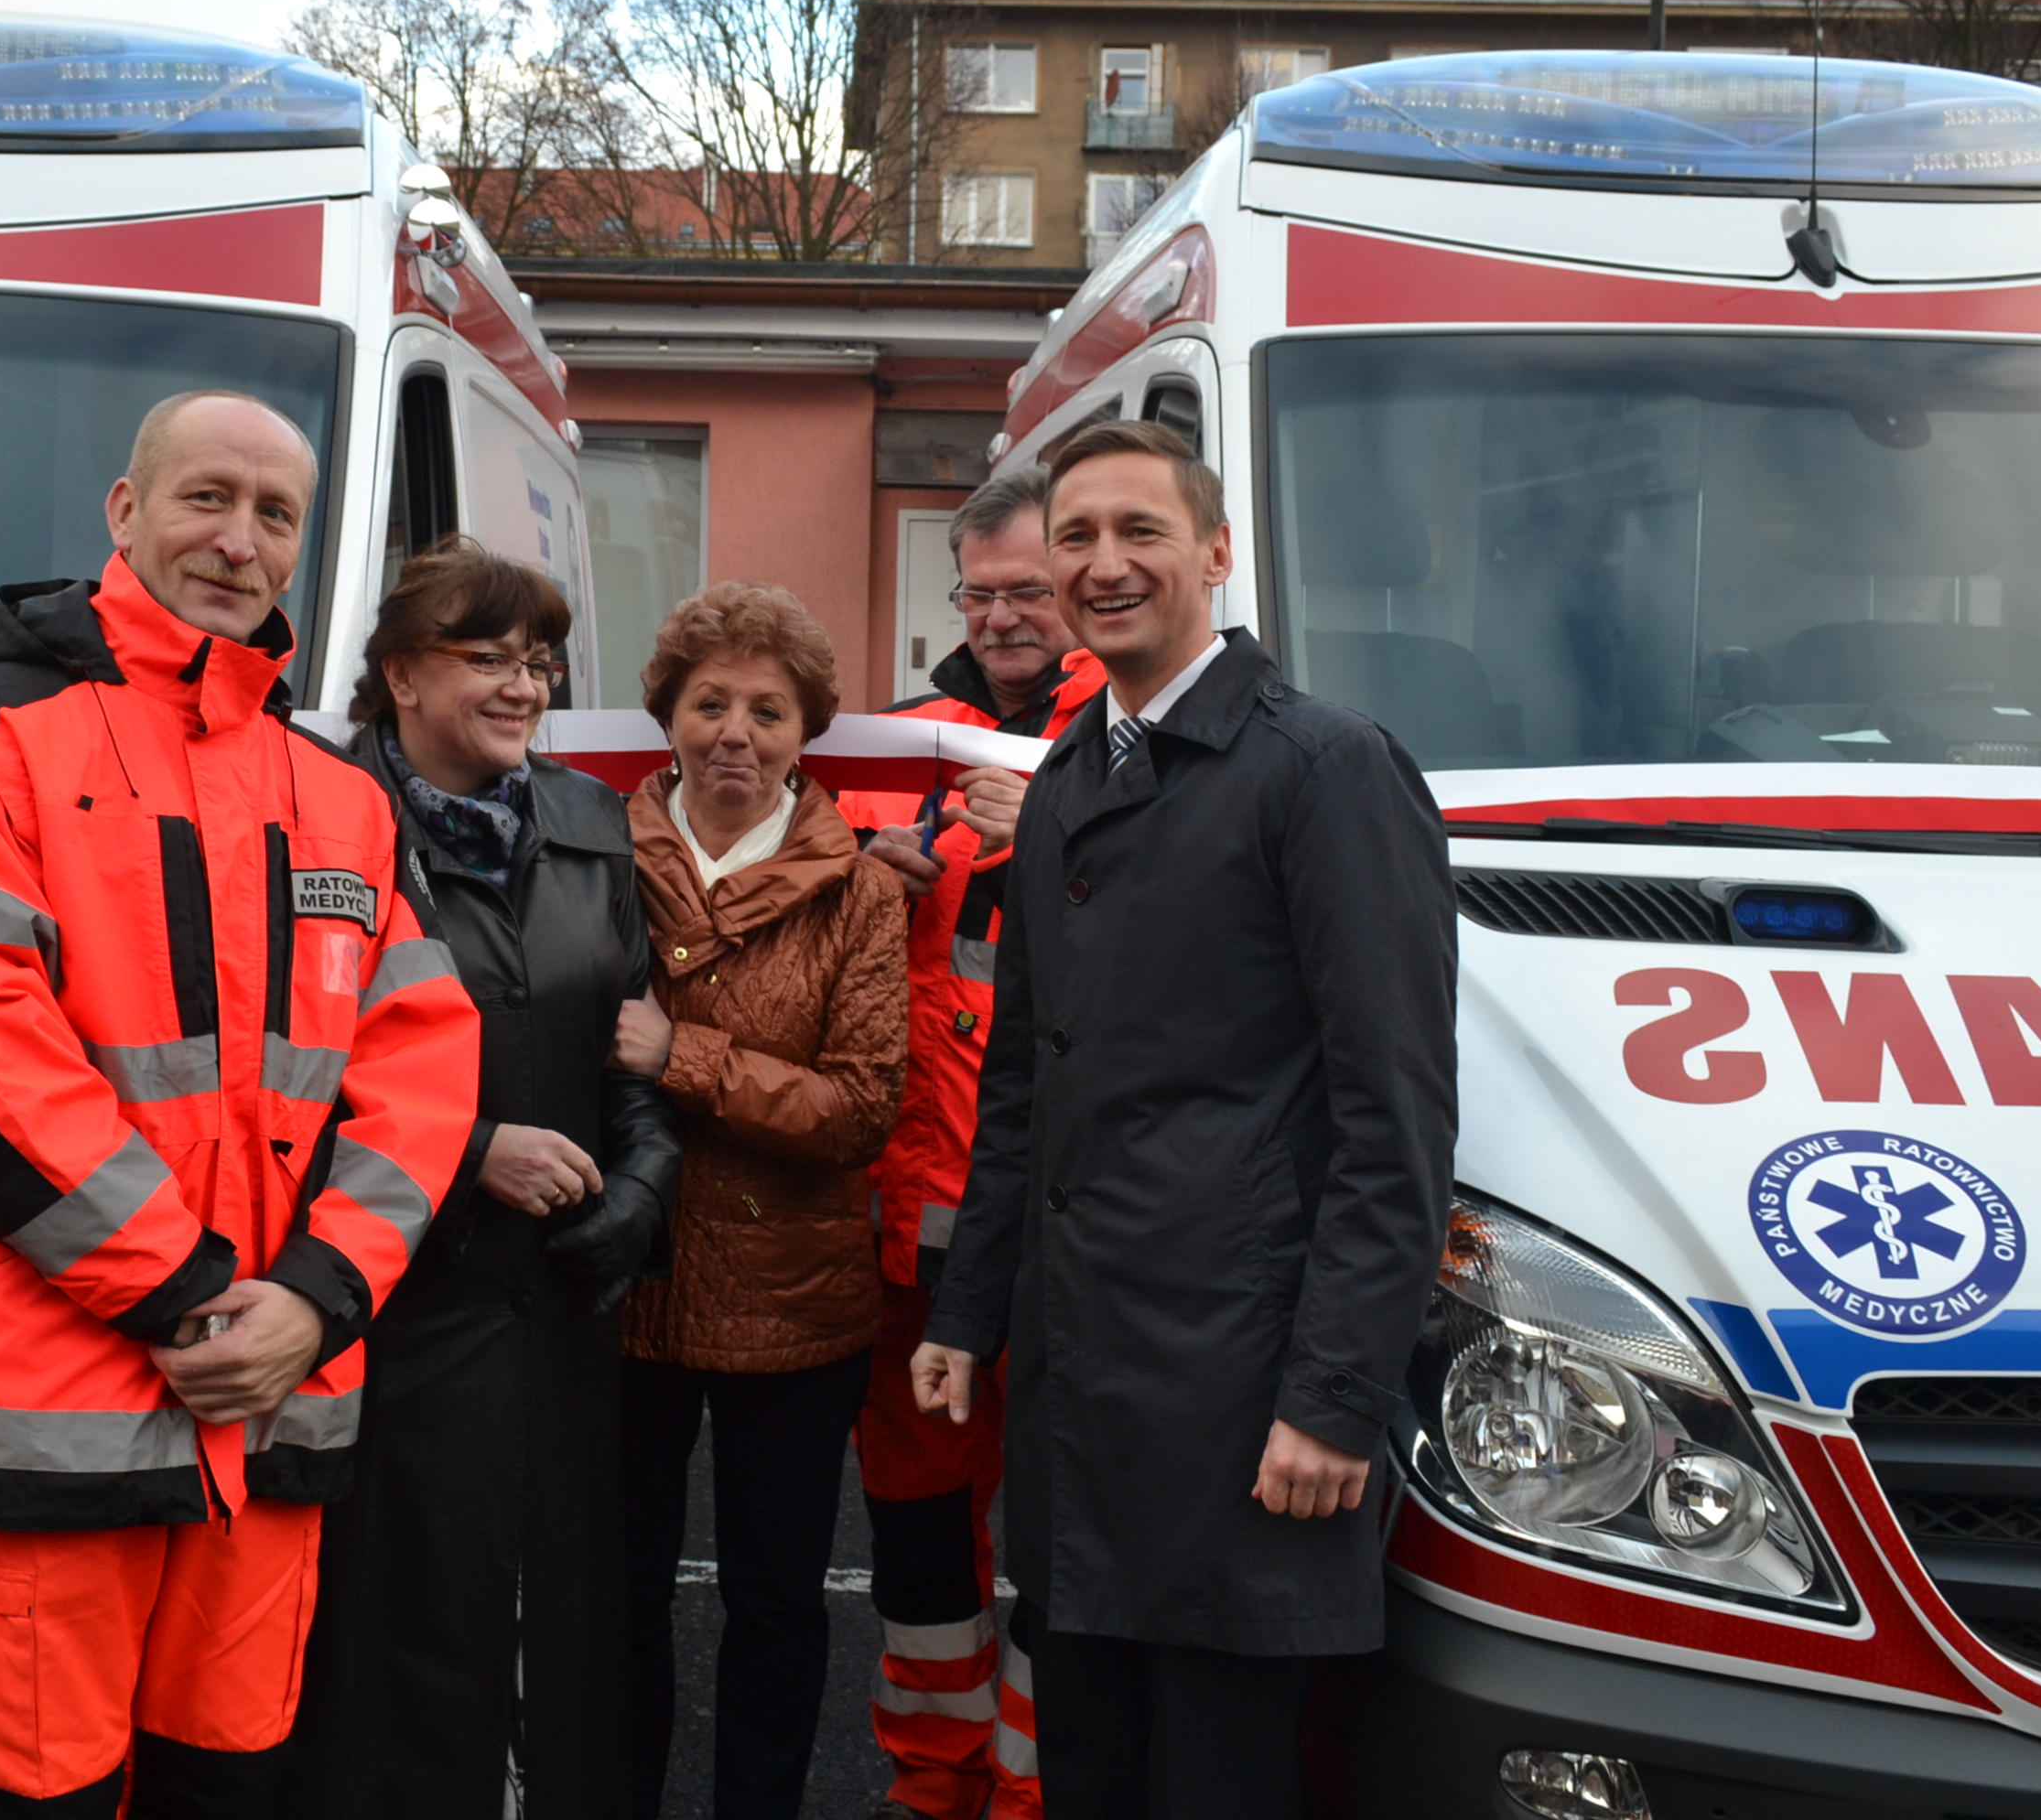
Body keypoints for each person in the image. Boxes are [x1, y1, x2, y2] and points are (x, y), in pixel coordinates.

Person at [0, 391, 481, 1820]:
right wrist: (198, 1300)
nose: (237, 541)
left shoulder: (341, 798)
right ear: (124, 515)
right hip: (49, 1405)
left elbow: (421, 1069)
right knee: (38, 1796)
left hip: (266, 1402)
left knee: (233, 1788)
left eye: (275, 514)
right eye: (205, 498)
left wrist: (315, 1300)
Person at [913, 421, 1457, 1820]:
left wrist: (1335, 1400)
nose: (1104, 565)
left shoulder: (1326, 768)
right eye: (1076, 538)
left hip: (1246, 1405)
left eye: (1140, 532)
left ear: (1217, 554)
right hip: (1082, 1393)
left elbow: (1391, 1118)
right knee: (1090, 1767)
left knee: (1217, 1781)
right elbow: (1030, 1083)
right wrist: (966, 1315)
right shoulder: (1072, 782)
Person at [278, 538, 681, 1820]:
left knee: (557, 1637)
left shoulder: (585, 821)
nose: (524, 686)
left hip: (561, 1311)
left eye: (540, 661)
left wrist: (644, 1193)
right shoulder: (316, 823)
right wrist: (461, 1163)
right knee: (402, 1647)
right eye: (487, 657)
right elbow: (275, 1086)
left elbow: (635, 1046)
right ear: (399, 673)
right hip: (388, 1316)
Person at [612, 582, 909, 1820]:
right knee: (617, 1595)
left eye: (768, 710)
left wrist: (681, 1057)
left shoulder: (862, 894)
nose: (736, 731)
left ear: (807, 732)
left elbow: (857, 1110)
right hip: (628, 1288)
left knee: (777, 1601)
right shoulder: (593, 859)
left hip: (796, 1304)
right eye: (710, 703)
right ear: (668, 715)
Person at [839, 468, 1103, 1820]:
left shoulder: (1129, 737)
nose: (1004, 617)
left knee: (1062, 1547)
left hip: (1064, 1238)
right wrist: (852, 884)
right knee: (922, 1541)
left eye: (1029, 591)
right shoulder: (896, 749)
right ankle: (928, 1782)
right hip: (913, 1240)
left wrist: (1056, 823)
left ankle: (1034, 1794)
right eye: (980, 593)